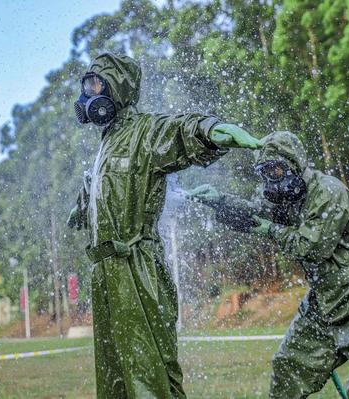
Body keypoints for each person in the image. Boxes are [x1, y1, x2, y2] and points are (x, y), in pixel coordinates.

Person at [67, 52, 261, 399]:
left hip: (136, 270)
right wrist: (82, 205)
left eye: (97, 85)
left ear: (118, 89)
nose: (89, 95)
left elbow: (180, 130)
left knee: (149, 371)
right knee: (114, 377)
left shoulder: (145, 131)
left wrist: (213, 130)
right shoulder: (106, 145)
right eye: (88, 86)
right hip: (105, 274)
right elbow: (99, 188)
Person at [189, 131, 349, 399]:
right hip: (322, 302)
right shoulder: (288, 198)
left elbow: (312, 247)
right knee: (288, 366)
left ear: (294, 164)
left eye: (277, 169)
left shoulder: (328, 191)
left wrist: (270, 230)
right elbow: (257, 213)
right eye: (265, 172)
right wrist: (220, 202)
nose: (272, 178)